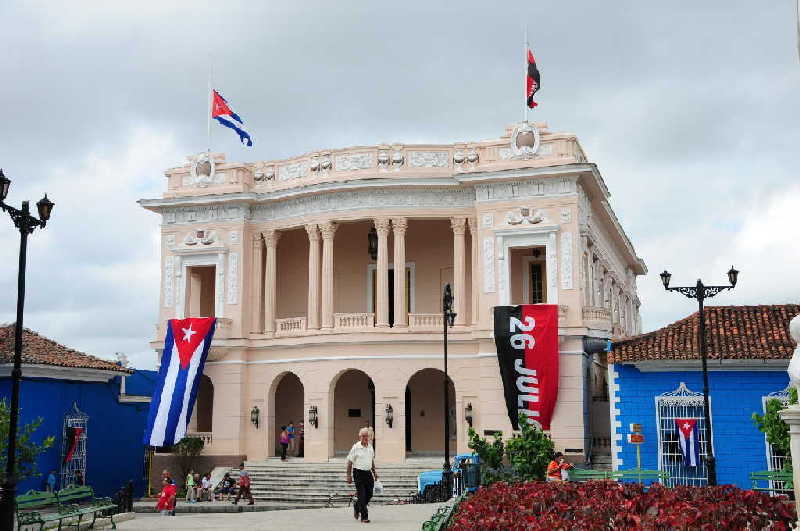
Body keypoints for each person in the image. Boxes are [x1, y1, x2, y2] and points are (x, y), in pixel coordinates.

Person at [346, 427, 378, 524]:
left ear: (368, 437)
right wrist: (348, 475)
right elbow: (349, 462)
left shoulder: (370, 447)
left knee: (370, 494)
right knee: (362, 495)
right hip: (358, 473)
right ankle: (364, 517)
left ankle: (357, 506)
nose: (365, 437)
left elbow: (371, 460)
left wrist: (374, 472)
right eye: (363, 436)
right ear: (360, 437)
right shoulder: (356, 447)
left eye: (366, 436)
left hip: (368, 473)